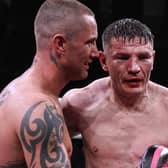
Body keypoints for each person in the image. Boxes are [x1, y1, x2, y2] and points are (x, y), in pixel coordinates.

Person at [0, 0, 98, 167]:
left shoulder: (22, 90)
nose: (95, 52)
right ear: (60, 44)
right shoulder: (38, 110)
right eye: (89, 42)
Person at [61, 18, 168, 168]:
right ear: (104, 61)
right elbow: (41, 144)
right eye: (123, 58)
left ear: (153, 59)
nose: (134, 68)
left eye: (143, 57)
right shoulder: (80, 104)